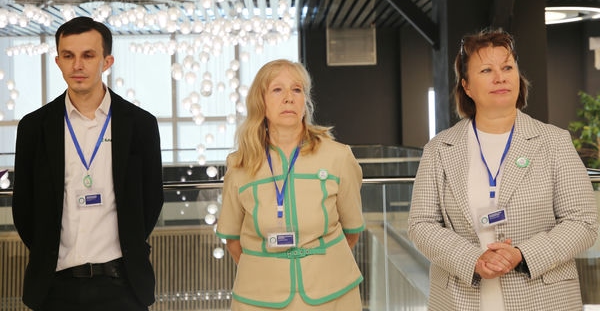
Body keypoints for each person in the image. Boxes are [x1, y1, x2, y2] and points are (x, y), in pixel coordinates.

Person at [407, 28, 599, 311]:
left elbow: (583, 222)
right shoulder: (439, 149)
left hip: (544, 300)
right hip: (459, 300)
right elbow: (421, 225)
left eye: (507, 67)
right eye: (486, 70)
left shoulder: (554, 142)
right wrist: (472, 259)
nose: (500, 77)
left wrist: (522, 254)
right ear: (467, 86)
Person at [12, 16, 164, 311]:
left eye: (88, 55)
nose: (77, 65)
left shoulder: (141, 125)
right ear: (58, 61)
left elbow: (152, 200)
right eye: (68, 56)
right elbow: (24, 209)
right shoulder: (33, 127)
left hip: (123, 287)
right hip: (54, 289)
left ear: (107, 62)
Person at [216, 59, 365, 310]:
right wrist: (266, 272)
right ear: (260, 102)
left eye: (296, 89)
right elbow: (232, 239)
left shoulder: (338, 157)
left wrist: (322, 267)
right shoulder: (239, 164)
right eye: (277, 89)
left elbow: (352, 231)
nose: (289, 98)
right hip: (258, 299)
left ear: (305, 101)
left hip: (334, 296)